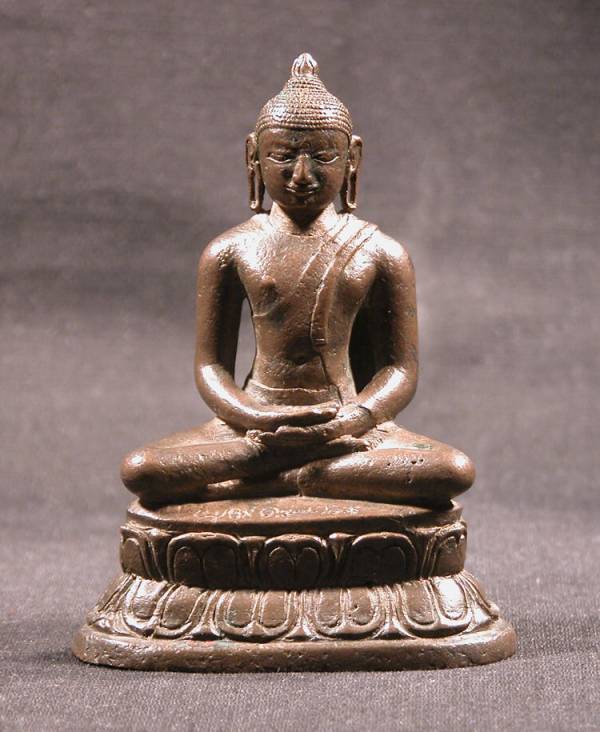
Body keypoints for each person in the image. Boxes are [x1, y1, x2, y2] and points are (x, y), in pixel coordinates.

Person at [121, 53, 474, 508]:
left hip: (343, 427)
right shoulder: (230, 250)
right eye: (283, 156)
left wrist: (352, 420)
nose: (302, 175)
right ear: (253, 156)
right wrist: (256, 418)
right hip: (255, 428)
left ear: (352, 158)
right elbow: (210, 368)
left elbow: (399, 371)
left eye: (323, 156)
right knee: (143, 469)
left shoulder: (381, 253)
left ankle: (278, 475)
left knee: (451, 470)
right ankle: (307, 472)